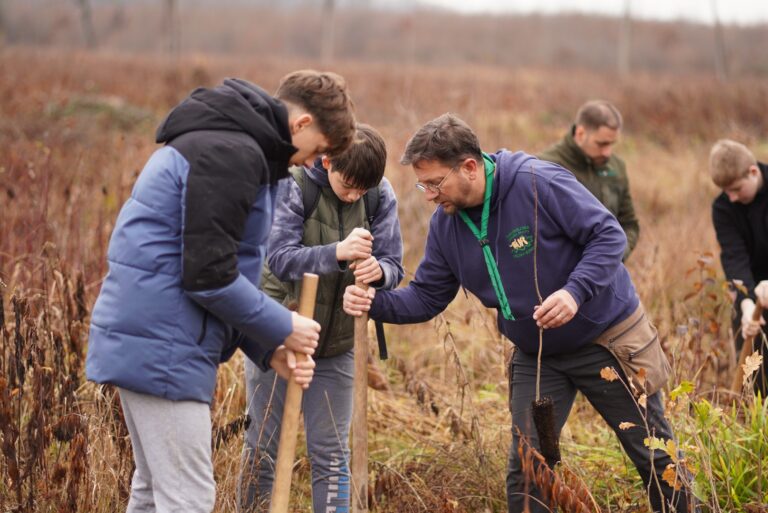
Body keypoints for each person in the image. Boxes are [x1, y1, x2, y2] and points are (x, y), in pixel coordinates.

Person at [343, 113, 691, 512]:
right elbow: (426, 297)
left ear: (470, 168)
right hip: (538, 355)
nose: (429, 195)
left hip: (606, 337)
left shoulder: (538, 183)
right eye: (423, 185)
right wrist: (374, 303)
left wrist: (574, 293)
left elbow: (608, 234)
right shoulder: (446, 225)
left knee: (654, 454)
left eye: (435, 183)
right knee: (528, 468)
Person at [85, 71, 356, 513]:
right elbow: (208, 277)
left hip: (157, 338)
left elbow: (221, 275)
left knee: (154, 495)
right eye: (320, 150)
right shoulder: (230, 152)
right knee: (188, 499)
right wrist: (283, 325)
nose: (312, 163)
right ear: (302, 123)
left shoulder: (238, 146)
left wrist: (268, 348)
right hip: (163, 345)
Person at [239, 123, 404, 513]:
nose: (355, 195)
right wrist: (337, 252)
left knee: (331, 454)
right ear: (327, 160)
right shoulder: (295, 185)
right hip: (279, 334)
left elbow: (395, 265)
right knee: (264, 446)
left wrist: (379, 273)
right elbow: (278, 258)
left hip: (339, 343)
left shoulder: (379, 194)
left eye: (364, 188)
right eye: (348, 185)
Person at [539, 100, 640, 260]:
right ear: (580, 134)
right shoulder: (544, 167)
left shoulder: (616, 166)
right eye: (602, 144)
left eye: (611, 144)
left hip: (608, 273)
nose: (607, 152)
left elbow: (629, 224)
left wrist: (615, 255)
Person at [709, 139, 768, 393]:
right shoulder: (723, 208)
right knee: (755, 378)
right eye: (725, 191)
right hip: (750, 290)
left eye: (736, 189)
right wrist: (745, 304)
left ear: (753, 172)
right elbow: (733, 256)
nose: (731, 198)